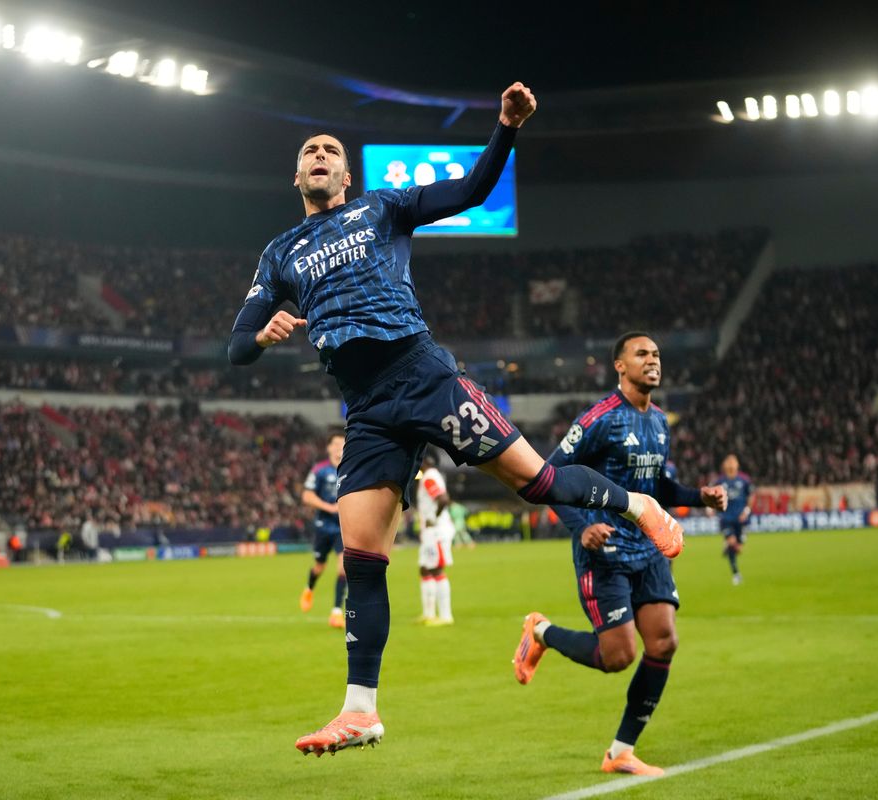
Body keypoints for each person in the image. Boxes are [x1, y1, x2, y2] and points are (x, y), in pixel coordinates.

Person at [228, 83, 684, 757]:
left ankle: (637, 503)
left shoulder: (383, 207)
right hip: (366, 409)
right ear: (297, 175)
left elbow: (472, 190)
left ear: (346, 175)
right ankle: (360, 710)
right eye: (309, 151)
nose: (319, 154)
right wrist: (264, 335)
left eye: (331, 149)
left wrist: (506, 127)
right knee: (362, 560)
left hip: (422, 374)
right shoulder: (280, 253)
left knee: (536, 482)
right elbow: (236, 345)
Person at [512, 332, 727, 776]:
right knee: (618, 657)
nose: (653, 360)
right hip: (605, 550)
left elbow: (658, 486)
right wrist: (583, 526)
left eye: (657, 354)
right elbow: (547, 478)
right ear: (619, 366)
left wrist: (698, 497)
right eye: (641, 354)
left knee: (664, 642)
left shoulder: (661, 421)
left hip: (648, 548)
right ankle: (541, 632)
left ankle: (620, 752)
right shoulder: (600, 419)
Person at [300, 433, 348, 628]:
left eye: (342, 444)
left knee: (343, 565)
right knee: (319, 566)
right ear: (328, 448)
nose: (339, 447)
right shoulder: (319, 470)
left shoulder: (351, 469)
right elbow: (307, 496)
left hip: (343, 527)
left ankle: (336, 612)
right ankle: (309, 587)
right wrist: (329, 508)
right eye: (335, 444)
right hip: (323, 525)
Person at [414, 452, 455, 625]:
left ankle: (445, 616)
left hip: (437, 531)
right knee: (425, 569)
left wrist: (434, 518)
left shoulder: (429, 477)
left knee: (436, 569)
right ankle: (429, 614)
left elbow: (443, 499)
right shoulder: (430, 476)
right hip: (430, 532)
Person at [715, 454, 754, 584]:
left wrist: (746, 511)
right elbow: (713, 496)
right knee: (732, 543)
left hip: (741, 519)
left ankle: (728, 547)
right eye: (728, 462)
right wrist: (711, 508)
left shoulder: (744, 480)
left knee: (738, 548)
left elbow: (751, 496)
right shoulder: (720, 481)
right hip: (726, 518)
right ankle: (736, 574)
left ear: (737, 464)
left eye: (733, 461)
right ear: (724, 465)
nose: (731, 464)